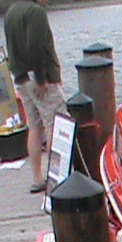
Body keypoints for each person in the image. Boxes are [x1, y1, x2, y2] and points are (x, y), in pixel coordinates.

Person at [4, 0, 67, 193]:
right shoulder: (36, 11)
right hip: (38, 79)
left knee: (34, 126)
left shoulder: (11, 12)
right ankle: (59, 179)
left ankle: (37, 178)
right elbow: (35, 46)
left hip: (21, 78)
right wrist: (41, 79)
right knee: (55, 124)